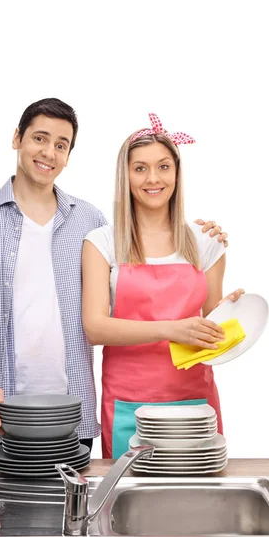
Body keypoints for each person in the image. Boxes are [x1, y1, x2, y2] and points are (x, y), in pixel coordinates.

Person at [0, 100, 229, 459]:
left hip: (75, 412)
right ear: (17, 138)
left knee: (78, 512)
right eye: (39, 138)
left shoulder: (89, 221)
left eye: (61, 145)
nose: (49, 152)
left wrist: (204, 244)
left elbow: (146, 291)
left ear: (69, 155)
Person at [82, 113, 244, 458]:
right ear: (124, 176)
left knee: (196, 503)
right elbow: (94, 328)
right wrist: (172, 329)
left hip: (194, 404)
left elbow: (212, 326)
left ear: (177, 172)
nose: (152, 178)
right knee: (128, 504)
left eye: (163, 167)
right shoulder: (102, 242)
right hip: (129, 403)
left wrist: (234, 314)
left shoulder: (206, 242)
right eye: (140, 168)